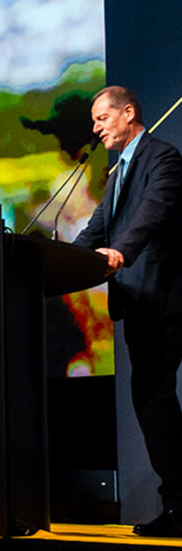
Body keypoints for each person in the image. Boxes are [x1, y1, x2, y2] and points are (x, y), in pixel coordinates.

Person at [75, 85, 182, 537]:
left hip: (164, 298)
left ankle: (178, 503)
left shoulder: (163, 158)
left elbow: (151, 215)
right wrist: (51, 267)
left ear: (128, 112)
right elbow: (94, 229)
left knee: (155, 399)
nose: (96, 127)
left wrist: (120, 253)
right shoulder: (116, 175)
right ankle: (177, 502)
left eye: (102, 118)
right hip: (138, 305)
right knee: (151, 401)